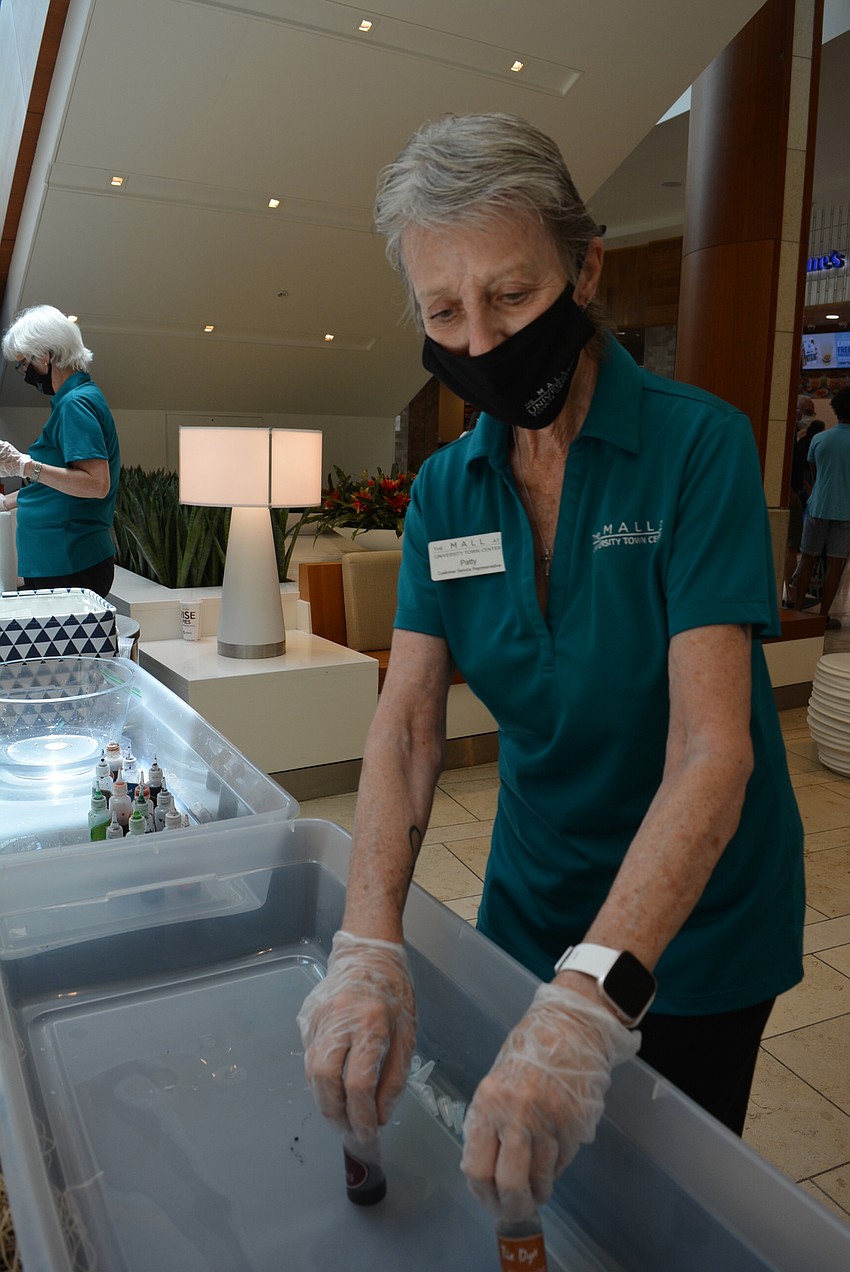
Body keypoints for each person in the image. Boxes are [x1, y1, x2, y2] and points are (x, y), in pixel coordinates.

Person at [297, 113, 804, 1225]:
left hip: (702, 923)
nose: (477, 342)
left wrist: (588, 1001)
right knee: (530, 1187)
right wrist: (368, 940)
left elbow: (712, 746)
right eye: (442, 312)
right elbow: (411, 727)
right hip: (530, 899)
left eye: (511, 297)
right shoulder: (445, 492)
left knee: (658, 1207)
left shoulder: (697, 448)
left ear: (585, 268)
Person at [0, 306, 120, 599]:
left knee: (63, 646)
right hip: (60, 560)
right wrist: (7, 502)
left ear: (46, 355)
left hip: (70, 562)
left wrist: (23, 465)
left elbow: (95, 484)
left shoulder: (75, 404)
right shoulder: (74, 400)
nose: (24, 372)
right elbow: (60, 487)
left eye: (24, 363)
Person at [792, 386, 850, 628]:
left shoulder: (819, 438)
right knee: (835, 564)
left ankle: (796, 611)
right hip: (846, 511)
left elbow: (815, 475)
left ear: (835, 410)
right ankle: (822, 616)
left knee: (806, 557)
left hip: (818, 506)